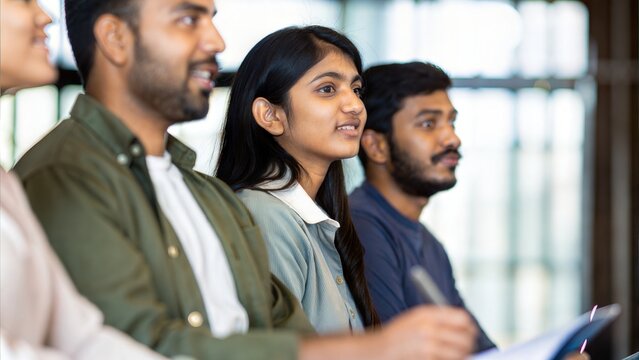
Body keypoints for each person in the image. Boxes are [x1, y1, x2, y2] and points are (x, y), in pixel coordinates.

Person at [14, 0, 477, 358]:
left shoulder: (209, 197)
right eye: (188, 20)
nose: (216, 40)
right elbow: (138, 344)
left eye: (212, 18)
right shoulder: (66, 175)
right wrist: (372, 349)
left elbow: (282, 328)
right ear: (115, 38)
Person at [0, 0, 165, 358]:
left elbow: (79, 334)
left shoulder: (5, 184)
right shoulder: (59, 170)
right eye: (23, 0)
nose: (45, 16)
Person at [216, 25, 379, 334]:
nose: (355, 106)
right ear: (270, 115)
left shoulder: (316, 218)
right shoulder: (265, 216)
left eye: (356, 90)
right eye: (327, 89)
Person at [349, 61, 495, 352]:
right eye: (428, 124)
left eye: (451, 122)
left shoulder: (430, 246)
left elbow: (480, 350)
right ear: (376, 146)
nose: (452, 138)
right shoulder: (360, 229)